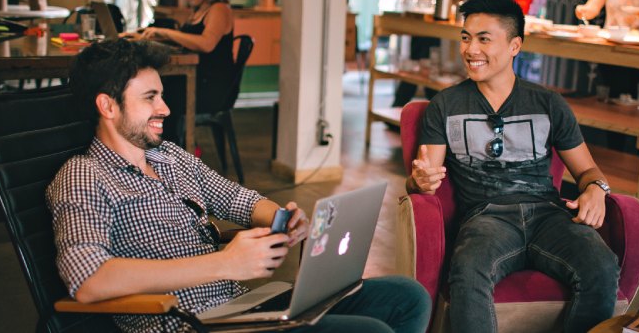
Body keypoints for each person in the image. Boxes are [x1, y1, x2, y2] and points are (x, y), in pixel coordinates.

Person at [48, 39, 431, 333]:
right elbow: (89, 281)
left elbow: (235, 198)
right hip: (189, 323)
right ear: (108, 106)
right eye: (150, 98)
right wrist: (224, 263)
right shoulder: (84, 175)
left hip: (238, 307)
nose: (165, 108)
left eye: (162, 95)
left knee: (406, 297)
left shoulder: (169, 156)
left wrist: (280, 217)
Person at [406, 0, 619, 333]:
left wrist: (597, 188)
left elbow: (588, 171)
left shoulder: (548, 103)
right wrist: (420, 182)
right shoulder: (445, 105)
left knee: (601, 265)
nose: (470, 50)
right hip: (486, 217)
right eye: (466, 38)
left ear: (515, 46)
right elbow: (423, 175)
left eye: (484, 39)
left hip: (549, 214)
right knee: (468, 270)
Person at [122, 0, 235, 144]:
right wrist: (146, 36)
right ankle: (156, 148)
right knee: (153, 91)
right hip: (197, 79)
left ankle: (166, 151)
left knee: (159, 97)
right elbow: (187, 41)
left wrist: (166, 32)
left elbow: (206, 43)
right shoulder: (198, 11)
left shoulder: (219, 9)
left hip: (211, 88)